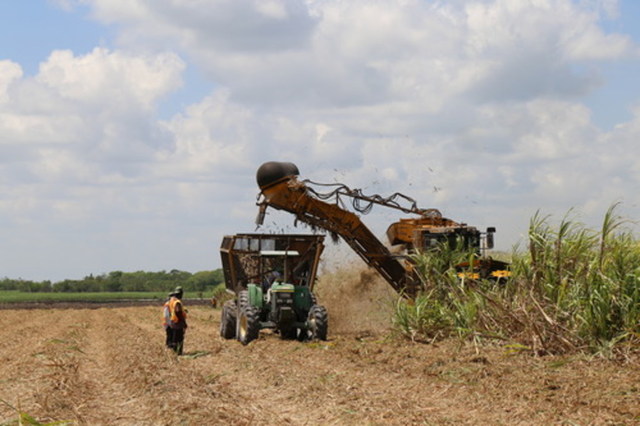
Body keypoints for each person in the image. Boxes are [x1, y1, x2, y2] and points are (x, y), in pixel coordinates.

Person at [163, 286, 188, 354]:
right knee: (179, 338)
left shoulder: (171, 301)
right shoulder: (177, 302)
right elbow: (178, 312)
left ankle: (174, 351)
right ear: (180, 294)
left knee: (175, 337)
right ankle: (178, 352)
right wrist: (184, 323)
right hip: (178, 322)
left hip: (173, 321)